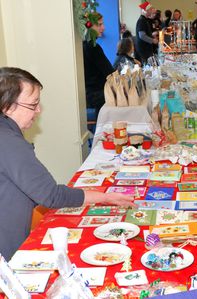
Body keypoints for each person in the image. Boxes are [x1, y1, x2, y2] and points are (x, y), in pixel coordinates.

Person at [0, 67, 135, 261]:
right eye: (33, 104)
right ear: (8, 106)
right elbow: (51, 195)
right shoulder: (10, 142)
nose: (38, 110)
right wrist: (105, 197)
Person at [83, 12, 114, 117]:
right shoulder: (93, 47)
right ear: (89, 26)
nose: (103, 28)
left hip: (91, 92)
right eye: (99, 25)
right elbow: (110, 73)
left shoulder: (85, 44)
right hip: (96, 94)